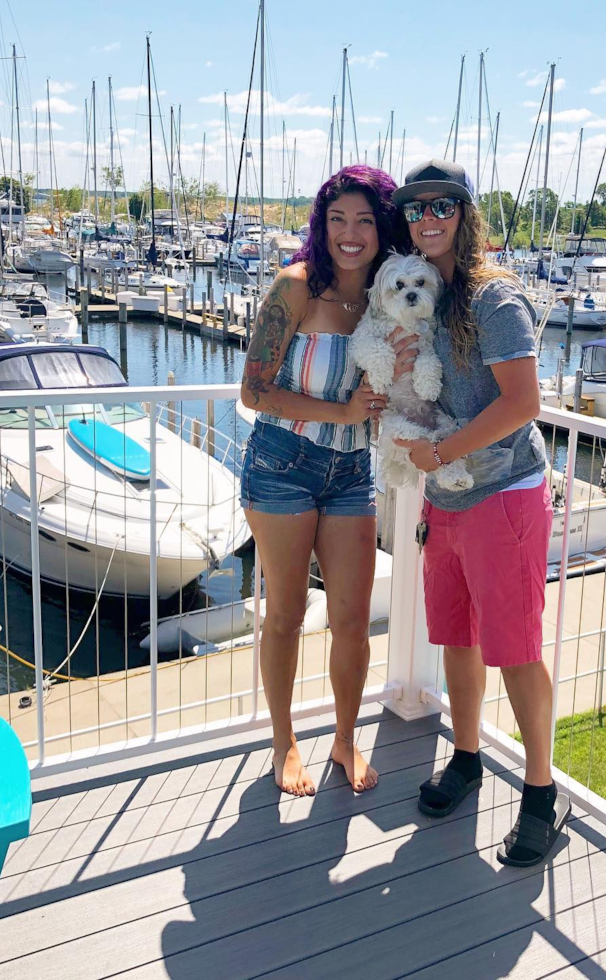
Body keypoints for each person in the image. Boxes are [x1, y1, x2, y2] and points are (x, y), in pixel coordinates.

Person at [393, 159, 571, 866]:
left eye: (442, 205)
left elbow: (522, 403)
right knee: (457, 641)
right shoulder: (425, 293)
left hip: (504, 496)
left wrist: (440, 455)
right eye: (415, 208)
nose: (428, 217)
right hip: (447, 502)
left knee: (517, 652)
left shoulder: (496, 299)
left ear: (466, 215)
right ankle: (466, 757)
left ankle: (540, 793)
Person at [239, 165, 414, 796]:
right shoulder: (295, 287)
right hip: (282, 466)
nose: (350, 232)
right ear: (322, 222)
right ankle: (284, 742)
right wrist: (340, 411)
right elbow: (254, 391)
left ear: (381, 228)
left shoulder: (387, 295)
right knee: (284, 615)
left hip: (351, 473)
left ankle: (344, 738)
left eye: (365, 219)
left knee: (352, 618)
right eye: (338, 218)